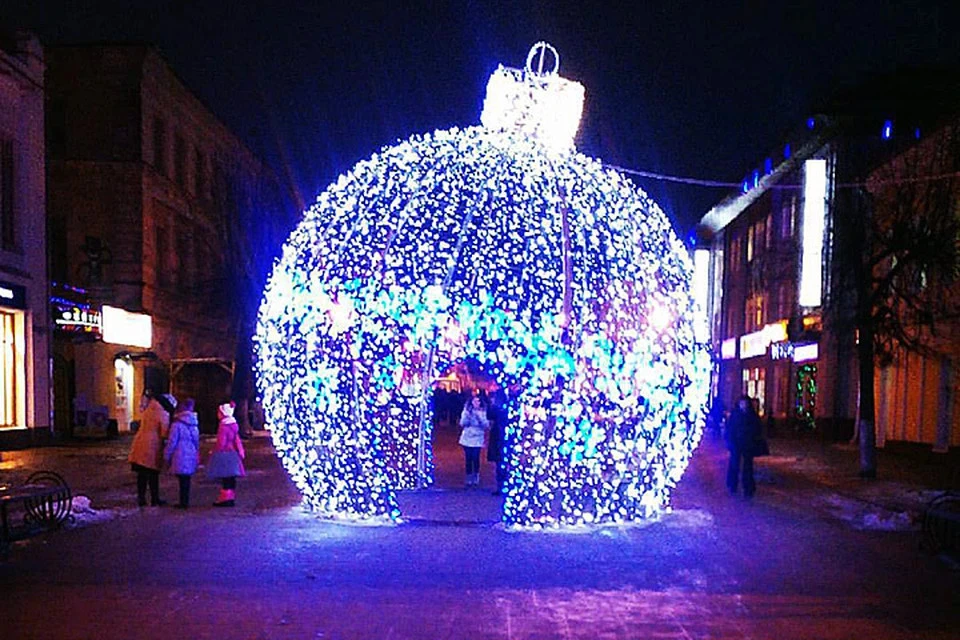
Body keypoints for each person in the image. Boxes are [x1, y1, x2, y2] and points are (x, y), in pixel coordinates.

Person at [128, 390, 172, 507]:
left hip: (140, 443)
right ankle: (155, 498)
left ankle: (141, 499)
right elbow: (164, 433)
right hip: (153, 446)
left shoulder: (149, 410)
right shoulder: (163, 414)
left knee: (141, 474)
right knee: (153, 474)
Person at [163, 397, 200, 509]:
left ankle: (183, 502)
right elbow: (196, 441)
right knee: (186, 479)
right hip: (190, 453)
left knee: (182, 480)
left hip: (179, 454)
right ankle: (185, 501)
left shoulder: (176, 425)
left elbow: (172, 442)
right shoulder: (194, 424)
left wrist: (166, 455)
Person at [207, 402, 246, 507]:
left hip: (225, 454)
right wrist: (241, 451)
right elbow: (236, 440)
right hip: (233, 453)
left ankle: (225, 498)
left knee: (225, 477)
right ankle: (231, 497)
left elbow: (221, 442)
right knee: (231, 477)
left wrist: (214, 451)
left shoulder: (223, 426)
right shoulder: (233, 425)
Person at [725, 395, 763, 498]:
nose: (744, 405)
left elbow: (757, 430)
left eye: (745, 403)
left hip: (747, 444)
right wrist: (730, 442)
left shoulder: (752, 416)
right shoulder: (735, 415)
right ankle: (732, 484)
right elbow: (730, 429)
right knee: (734, 464)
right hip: (736, 444)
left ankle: (748, 488)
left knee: (748, 467)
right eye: (742, 403)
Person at [458, 394, 489, 488]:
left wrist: (480, 420)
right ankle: (468, 476)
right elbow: (462, 423)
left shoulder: (483, 412)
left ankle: (476, 476)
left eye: (478, 401)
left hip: (478, 437)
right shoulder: (466, 411)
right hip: (467, 436)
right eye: (474, 401)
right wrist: (467, 418)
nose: (476, 403)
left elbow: (486, 425)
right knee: (468, 457)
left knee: (475, 457)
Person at [486, 389, 510, 495]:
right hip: (507, 436)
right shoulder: (508, 408)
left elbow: (489, 415)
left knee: (499, 463)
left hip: (497, 436)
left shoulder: (495, 408)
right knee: (504, 462)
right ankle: (506, 484)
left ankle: (500, 486)